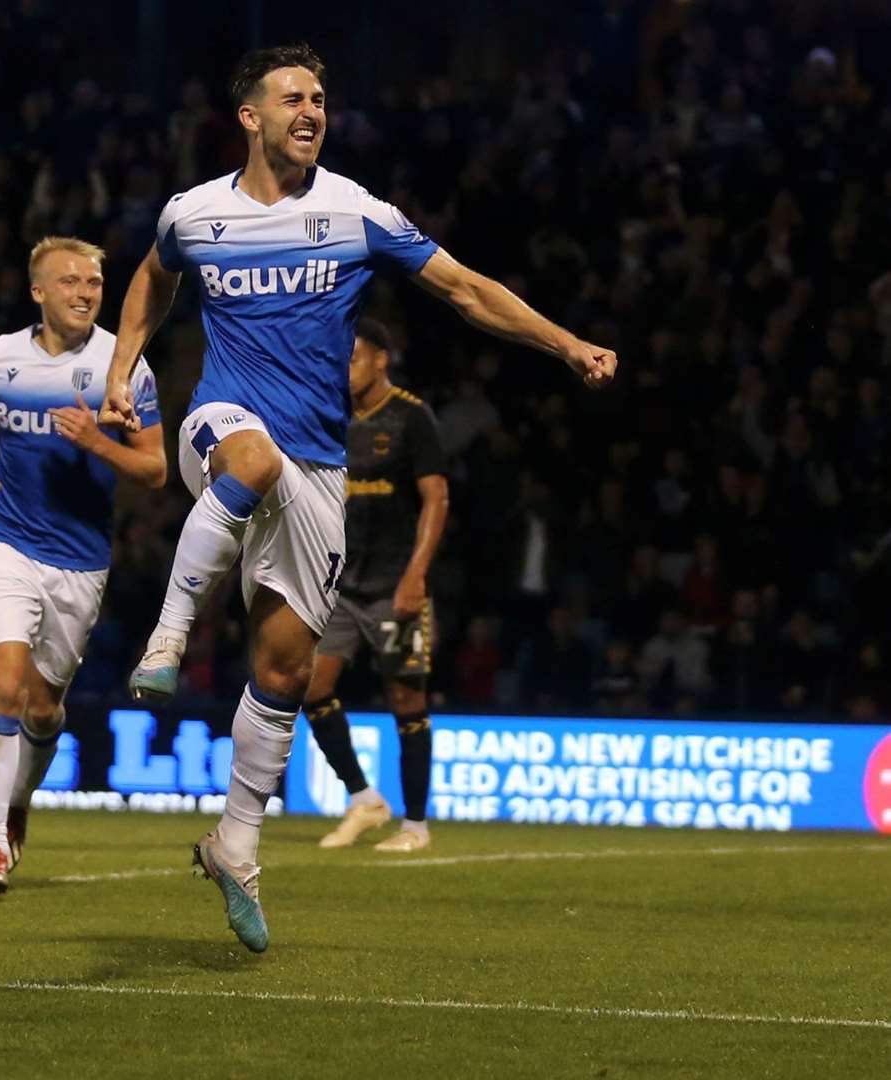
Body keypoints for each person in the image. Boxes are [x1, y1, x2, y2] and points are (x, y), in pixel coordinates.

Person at [101, 44, 616, 953]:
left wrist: (567, 343)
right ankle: (168, 635)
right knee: (247, 461)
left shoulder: (356, 210)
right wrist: (122, 365)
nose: (313, 109)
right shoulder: (195, 211)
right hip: (222, 427)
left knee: (287, 670)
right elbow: (153, 274)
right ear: (249, 116)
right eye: (293, 96)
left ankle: (236, 847)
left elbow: (463, 290)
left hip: (320, 469)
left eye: (322, 98)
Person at [0, 236, 166, 895]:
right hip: (5, 543)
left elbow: (155, 469)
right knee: (4, 689)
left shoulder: (122, 368)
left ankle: (18, 800)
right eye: (70, 281)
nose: (85, 292)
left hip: (80, 560)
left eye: (95, 283)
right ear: (38, 291)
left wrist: (98, 440)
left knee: (42, 712)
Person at [304, 319, 447, 853]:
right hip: (340, 582)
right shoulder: (331, 416)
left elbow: (437, 498)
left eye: (354, 358)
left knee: (407, 696)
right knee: (312, 686)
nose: (344, 369)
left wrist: (416, 575)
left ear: (381, 359)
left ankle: (415, 827)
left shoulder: (411, 417)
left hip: (394, 582)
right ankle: (364, 798)